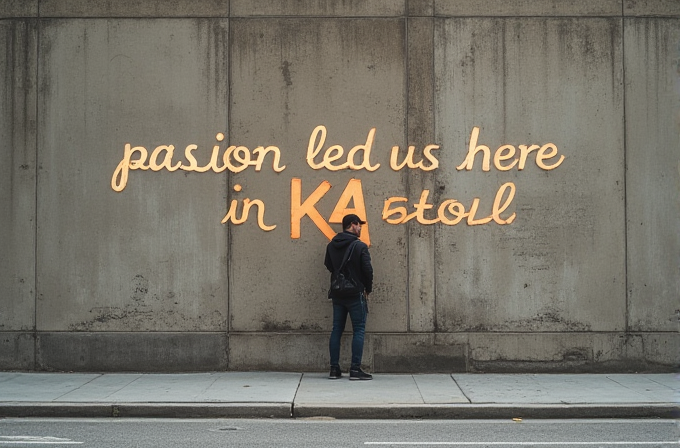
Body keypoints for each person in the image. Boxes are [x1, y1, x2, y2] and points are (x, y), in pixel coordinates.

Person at [324, 213, 373, 380]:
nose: (360, 228)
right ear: (353, 224)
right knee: (358, 329)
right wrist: (368, 288)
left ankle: (334, 369)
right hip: (355, 293)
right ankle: (354, 369)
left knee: (336, 329)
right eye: (359, 225)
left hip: (338, 293)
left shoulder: (331, 245)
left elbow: (329, 266)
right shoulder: (360, 246)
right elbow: (368, 270)